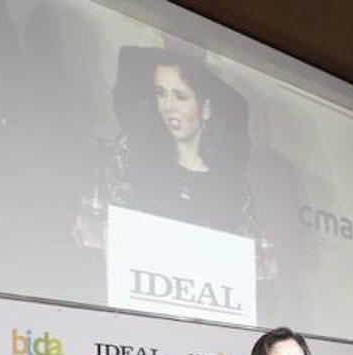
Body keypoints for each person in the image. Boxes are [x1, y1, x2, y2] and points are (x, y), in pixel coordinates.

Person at [81, 46, 257, 240]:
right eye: (161, 94)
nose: (168, 107)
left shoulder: (234, 187)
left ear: (205, 109)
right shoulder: (129, 153)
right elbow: (110, 224)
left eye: (180, 97)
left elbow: (247, 254)